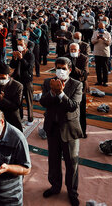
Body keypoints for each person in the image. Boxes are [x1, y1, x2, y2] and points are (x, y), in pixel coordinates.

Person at [40, 57, 83, 206]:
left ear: (69, 70)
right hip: (53, 128)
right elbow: (43, 102)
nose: (60, 71)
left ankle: (72, 192)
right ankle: (55, 186)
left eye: (63, 68)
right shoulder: (48, 83)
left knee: (72, 163)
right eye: (58, 68)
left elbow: (72, 106)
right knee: (53, 160)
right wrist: (52, 92)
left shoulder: (77, 85)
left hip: (69, 130)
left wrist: (60, 94)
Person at [0, 61, 23, 131]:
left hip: (12, 119)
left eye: (3, 78)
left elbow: (16, 106)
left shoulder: (17, 86)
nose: (1, 80)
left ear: (9, 75)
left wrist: (2, 99)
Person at [10, 37, 35, 125]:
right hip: (18, 79)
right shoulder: (17, 53)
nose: (19, 46)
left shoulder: (30, 54)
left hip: (27, 80)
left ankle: (30, 118)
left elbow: (29, 67)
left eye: (21, 44)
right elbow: (12, 65)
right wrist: (15, 58)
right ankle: (20, 117)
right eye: (18, 44)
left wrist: (21, 58)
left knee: (29, 100)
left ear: (26, 45)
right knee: (18, 100)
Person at [91, 22, 112, 86]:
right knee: (98, 68)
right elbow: (92, 42)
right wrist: (97, 38)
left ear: (104, 27)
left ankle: (105, 81)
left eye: (102, 28)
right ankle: (99, 81)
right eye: (99, 28)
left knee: (105, 67)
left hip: (105, 53)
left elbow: (109, 43)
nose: (100, 29)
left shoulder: (108, 34)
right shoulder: (95, 33)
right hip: (97, 53)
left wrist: (104, 39)